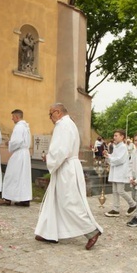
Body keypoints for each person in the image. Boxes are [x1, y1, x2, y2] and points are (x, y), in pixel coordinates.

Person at [34, 103, 102, 250]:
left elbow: (61, 150)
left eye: (50, 114)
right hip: (66, 165)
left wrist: (50, 159)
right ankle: (48, 232)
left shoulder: (62, 125)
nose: (50, 118)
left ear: (57, 112)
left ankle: (91, 231)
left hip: (65, 167)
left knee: (69, 201)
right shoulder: (69, 124)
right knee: (55, 200)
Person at [0, 109, 32, 207]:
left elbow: (17, 141)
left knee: (12, 175)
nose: (12, 119)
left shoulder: (19, 127)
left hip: (19, 154)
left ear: (16, 117)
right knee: (23, 177)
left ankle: (7, 198)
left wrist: (9, 143)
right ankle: (24, 199)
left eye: (12, 117)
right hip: (25, 154)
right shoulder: (26, 126)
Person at [103, 129, 137, 218]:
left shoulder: (123, 147)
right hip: (115, 172)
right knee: (114, 191)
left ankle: (133, 204)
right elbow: (114, 158)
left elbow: (120, 160)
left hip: (121, 172)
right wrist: (108, 156)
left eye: (116, 135)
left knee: (120, 191)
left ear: (122, 137)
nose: (114, 137)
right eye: (114, 136)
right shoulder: (116, 146)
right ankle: (115, 209)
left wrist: (110, 158)